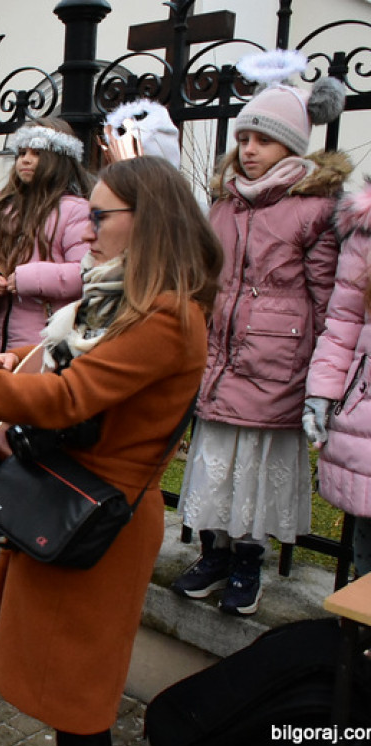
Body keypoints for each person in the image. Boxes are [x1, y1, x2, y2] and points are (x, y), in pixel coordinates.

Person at [0, 156, 221, 746]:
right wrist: (16, 358)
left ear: (148, 220)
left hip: (99, 520)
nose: (87, 229)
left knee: (80, 701)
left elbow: (70, 397)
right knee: (68, 698)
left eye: (101, 216)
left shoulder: (168, 314)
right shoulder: (136, 297)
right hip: (76, 499)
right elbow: (81, 361)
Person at [173, 52, 350, 616]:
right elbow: (205, 274)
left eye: (263, 141)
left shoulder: (313, 209)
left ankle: (248, 560)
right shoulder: (224, 204)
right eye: (244, 137)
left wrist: (322, 368)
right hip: (220, 356)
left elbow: (327, 296)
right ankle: (214, 552)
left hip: (278, 361)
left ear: (291, 148)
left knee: (254, 472)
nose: (248, 150)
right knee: (216, 464)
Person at [0, 118, 91, 353]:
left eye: (36, 153)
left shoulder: (75, 210)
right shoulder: (3, 207)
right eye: (22, 152)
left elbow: (84, 271)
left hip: (46, 341)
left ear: (58, 159)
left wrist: (29, 277)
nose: (25, 160)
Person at [305, 180, 371, 577]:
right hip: (365, 412)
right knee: (367, 539)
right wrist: (323, 395)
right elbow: (343, 323)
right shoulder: (365, 229)